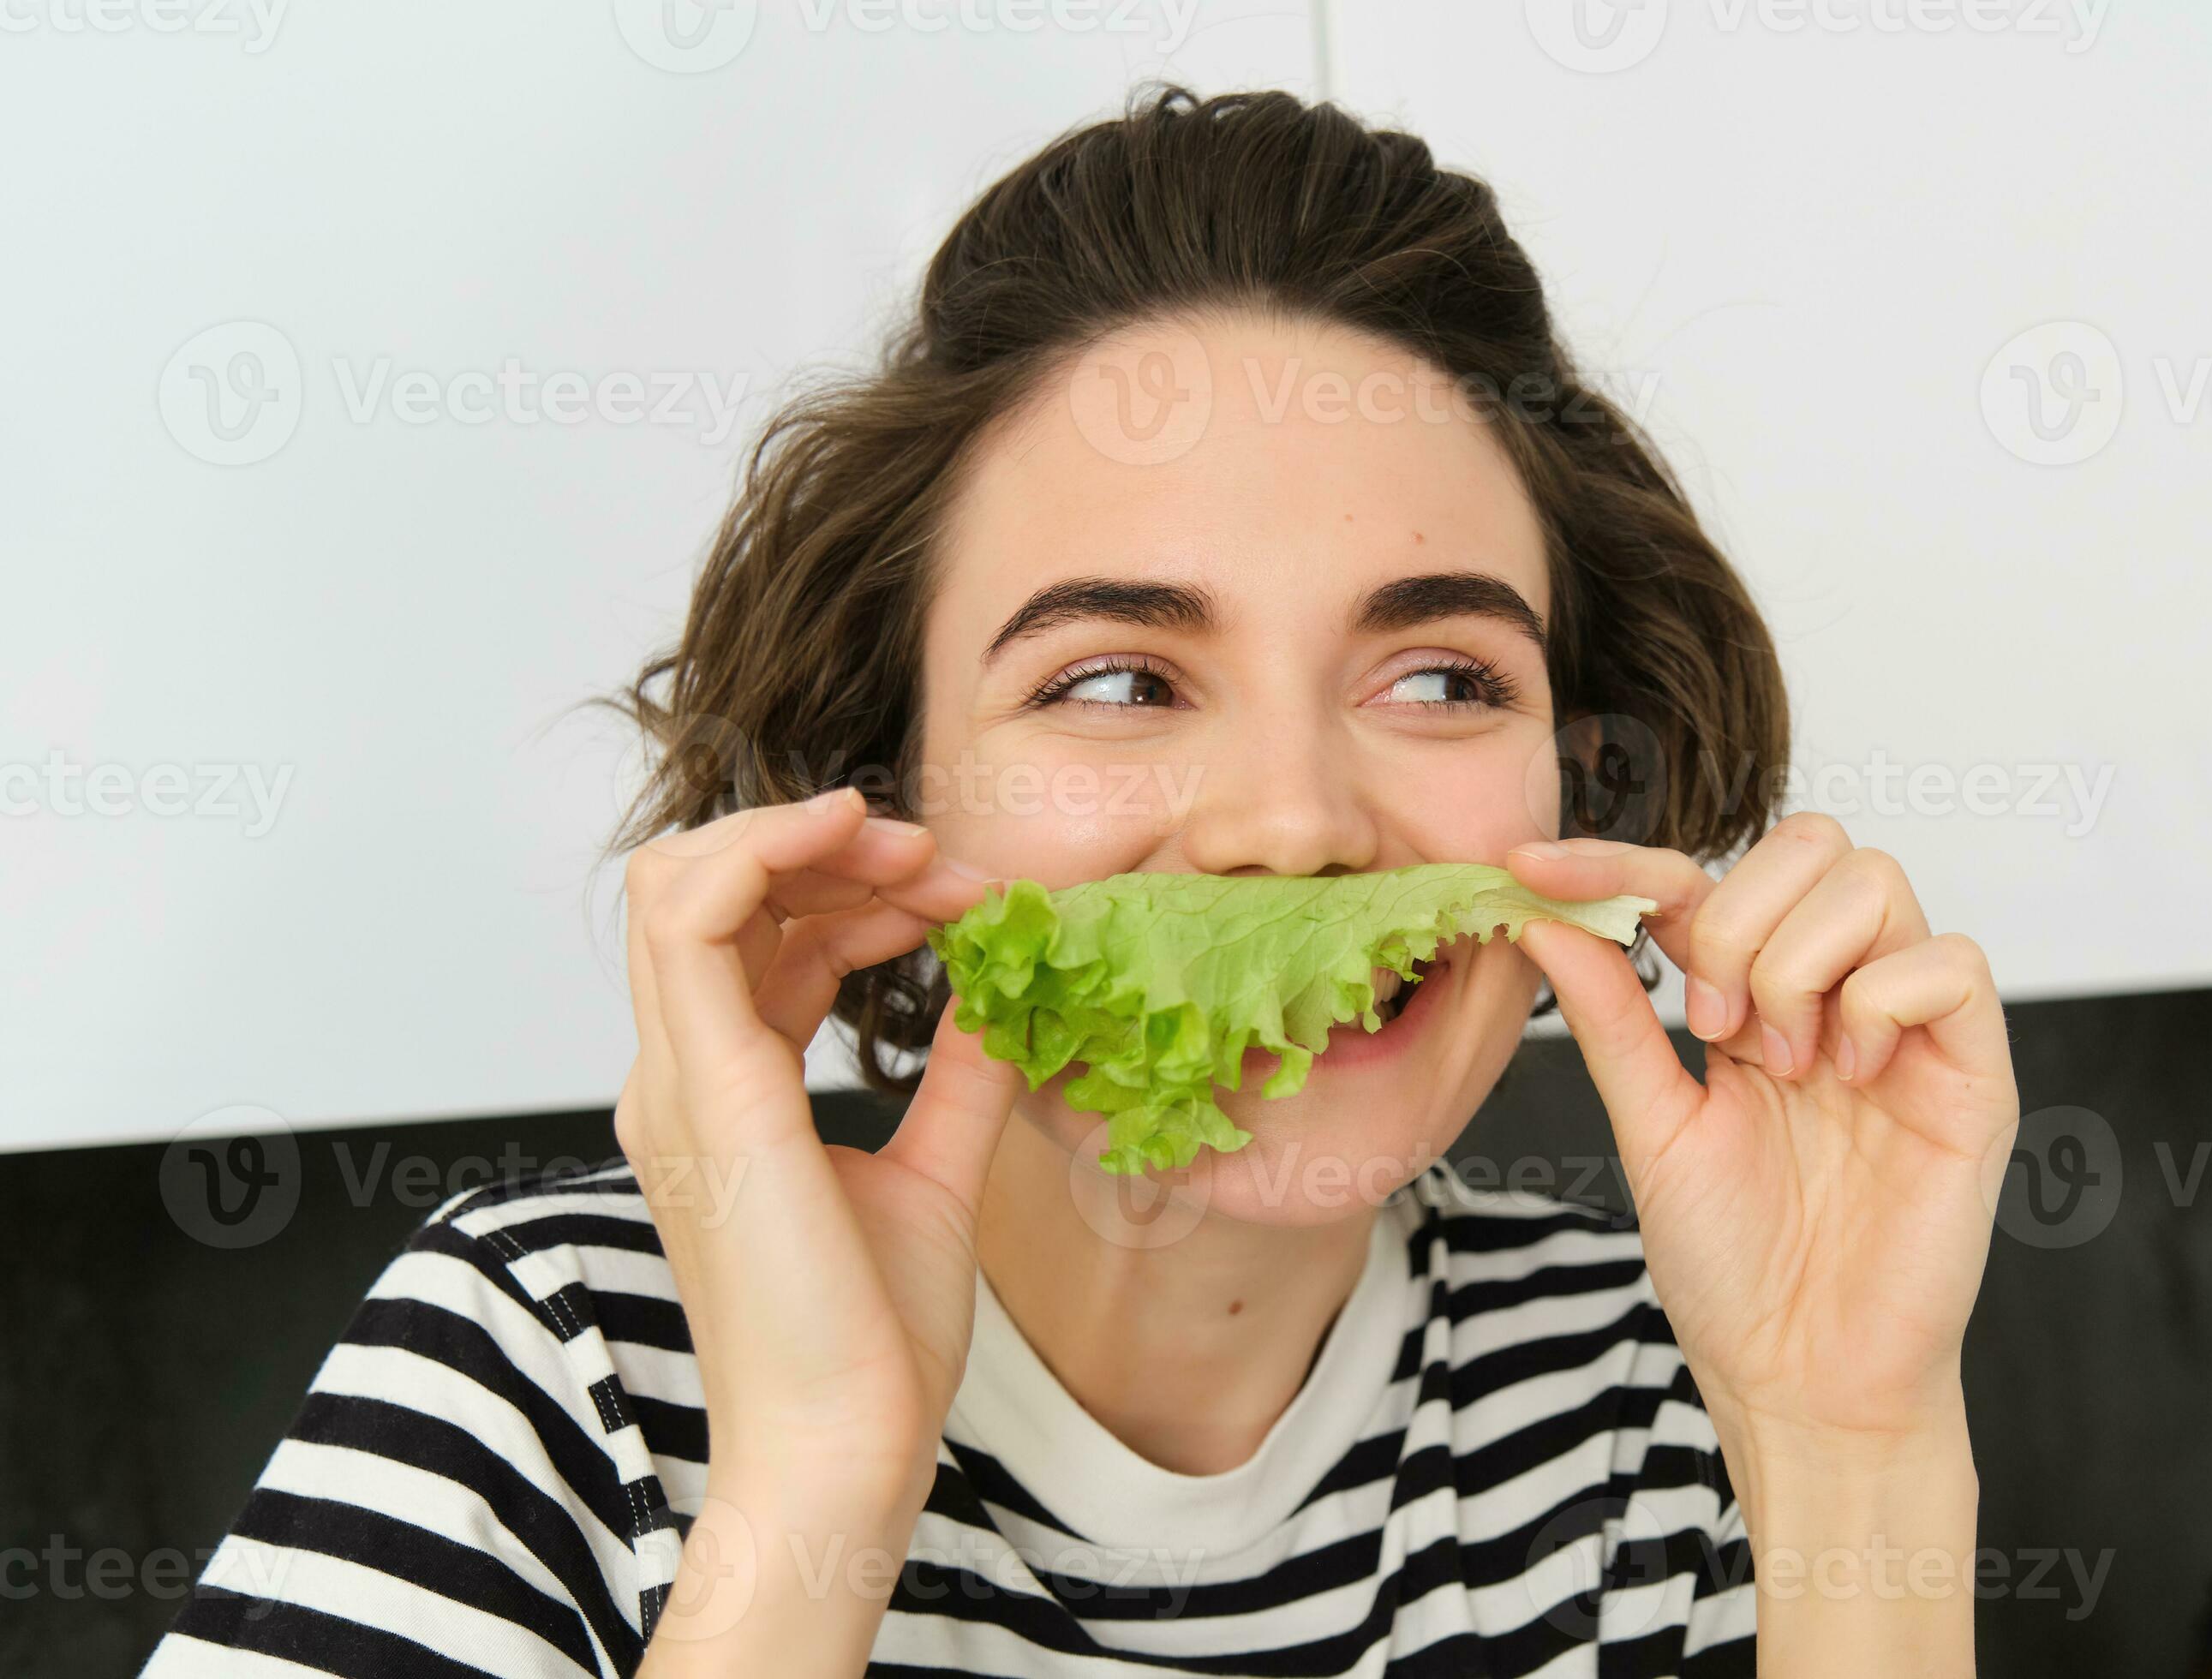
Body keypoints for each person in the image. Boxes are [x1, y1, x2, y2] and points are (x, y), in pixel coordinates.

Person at [145, 86, 2016, 1677]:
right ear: (889, 797)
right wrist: (804, 1496)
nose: (1291, 825)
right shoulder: (550, 1371)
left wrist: (1850, 1452)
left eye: (1440, 675)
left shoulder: (1672, 1394)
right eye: (1115, 680)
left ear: (1577, 777)